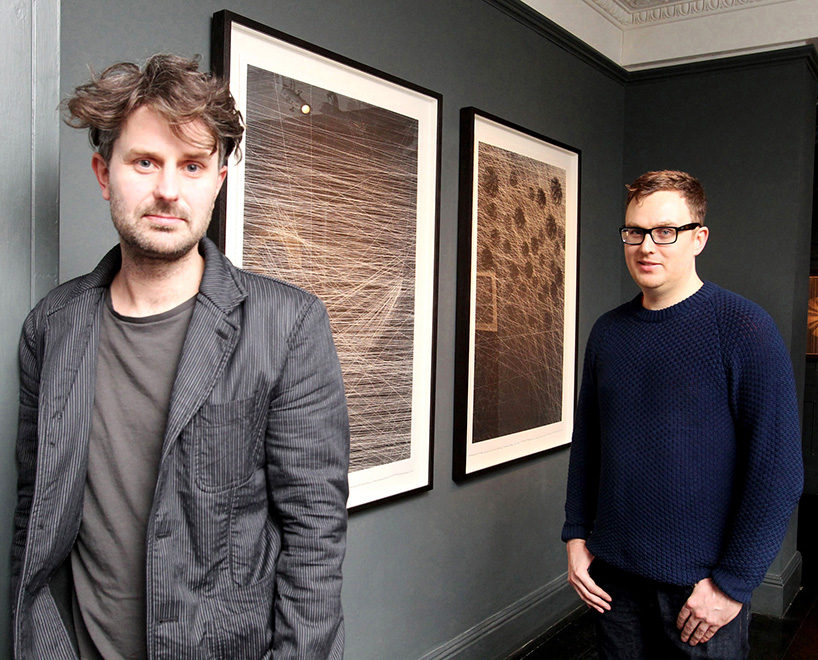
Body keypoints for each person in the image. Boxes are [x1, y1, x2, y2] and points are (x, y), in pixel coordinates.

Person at [11, 54, 350, 659]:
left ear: (217, 179)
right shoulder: (51, 327)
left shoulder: (288, 325)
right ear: (103, 173)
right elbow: (34, 518)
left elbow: (314, 539)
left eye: (192, 165)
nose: (168, 189)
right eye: (145, 161)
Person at [562, 170, 803, 658]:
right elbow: (588, 445)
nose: (647, 246)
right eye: (635, 232)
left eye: (665, 231)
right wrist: (575, 535)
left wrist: (732, 584)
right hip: (613, 582)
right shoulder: (608, 332)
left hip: (701, 589)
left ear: (699, 238)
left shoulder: (745, 328)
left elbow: (778, 472)